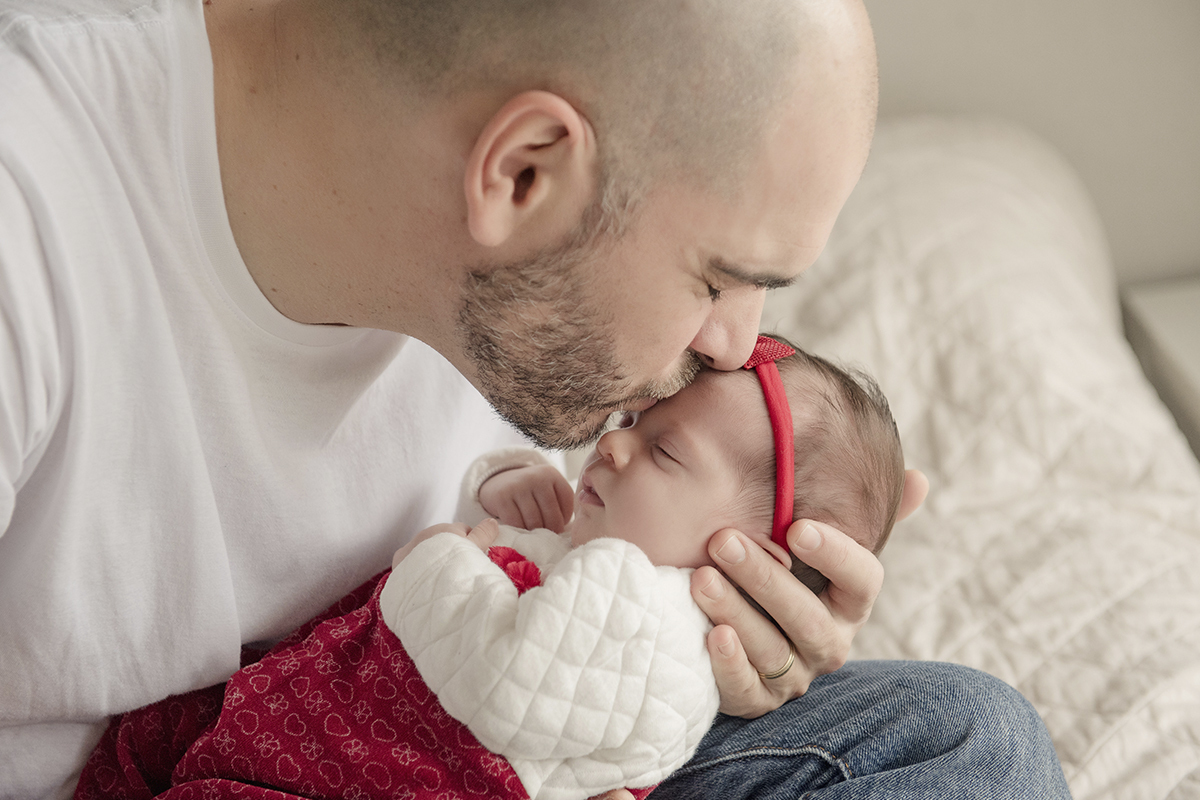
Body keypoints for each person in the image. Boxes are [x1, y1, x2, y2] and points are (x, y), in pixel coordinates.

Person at [0, 0, 1070, 796]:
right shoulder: (33, 236)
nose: (737, 345)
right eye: (716, 276)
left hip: (472, 739)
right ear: (521, 173)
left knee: (968, 739)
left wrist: (703, 654)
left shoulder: (529, 311)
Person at [74, 338, 909, 800]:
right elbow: (514, 506)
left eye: (662, 450)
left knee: (966, 719)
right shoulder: (606, 547)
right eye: (628, 421)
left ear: (754, 559)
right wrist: (508, 492)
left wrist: (448, 555)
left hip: (378, 759)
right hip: (334, 701)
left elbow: (507, 671)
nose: (608, 445)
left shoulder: (634, 602)